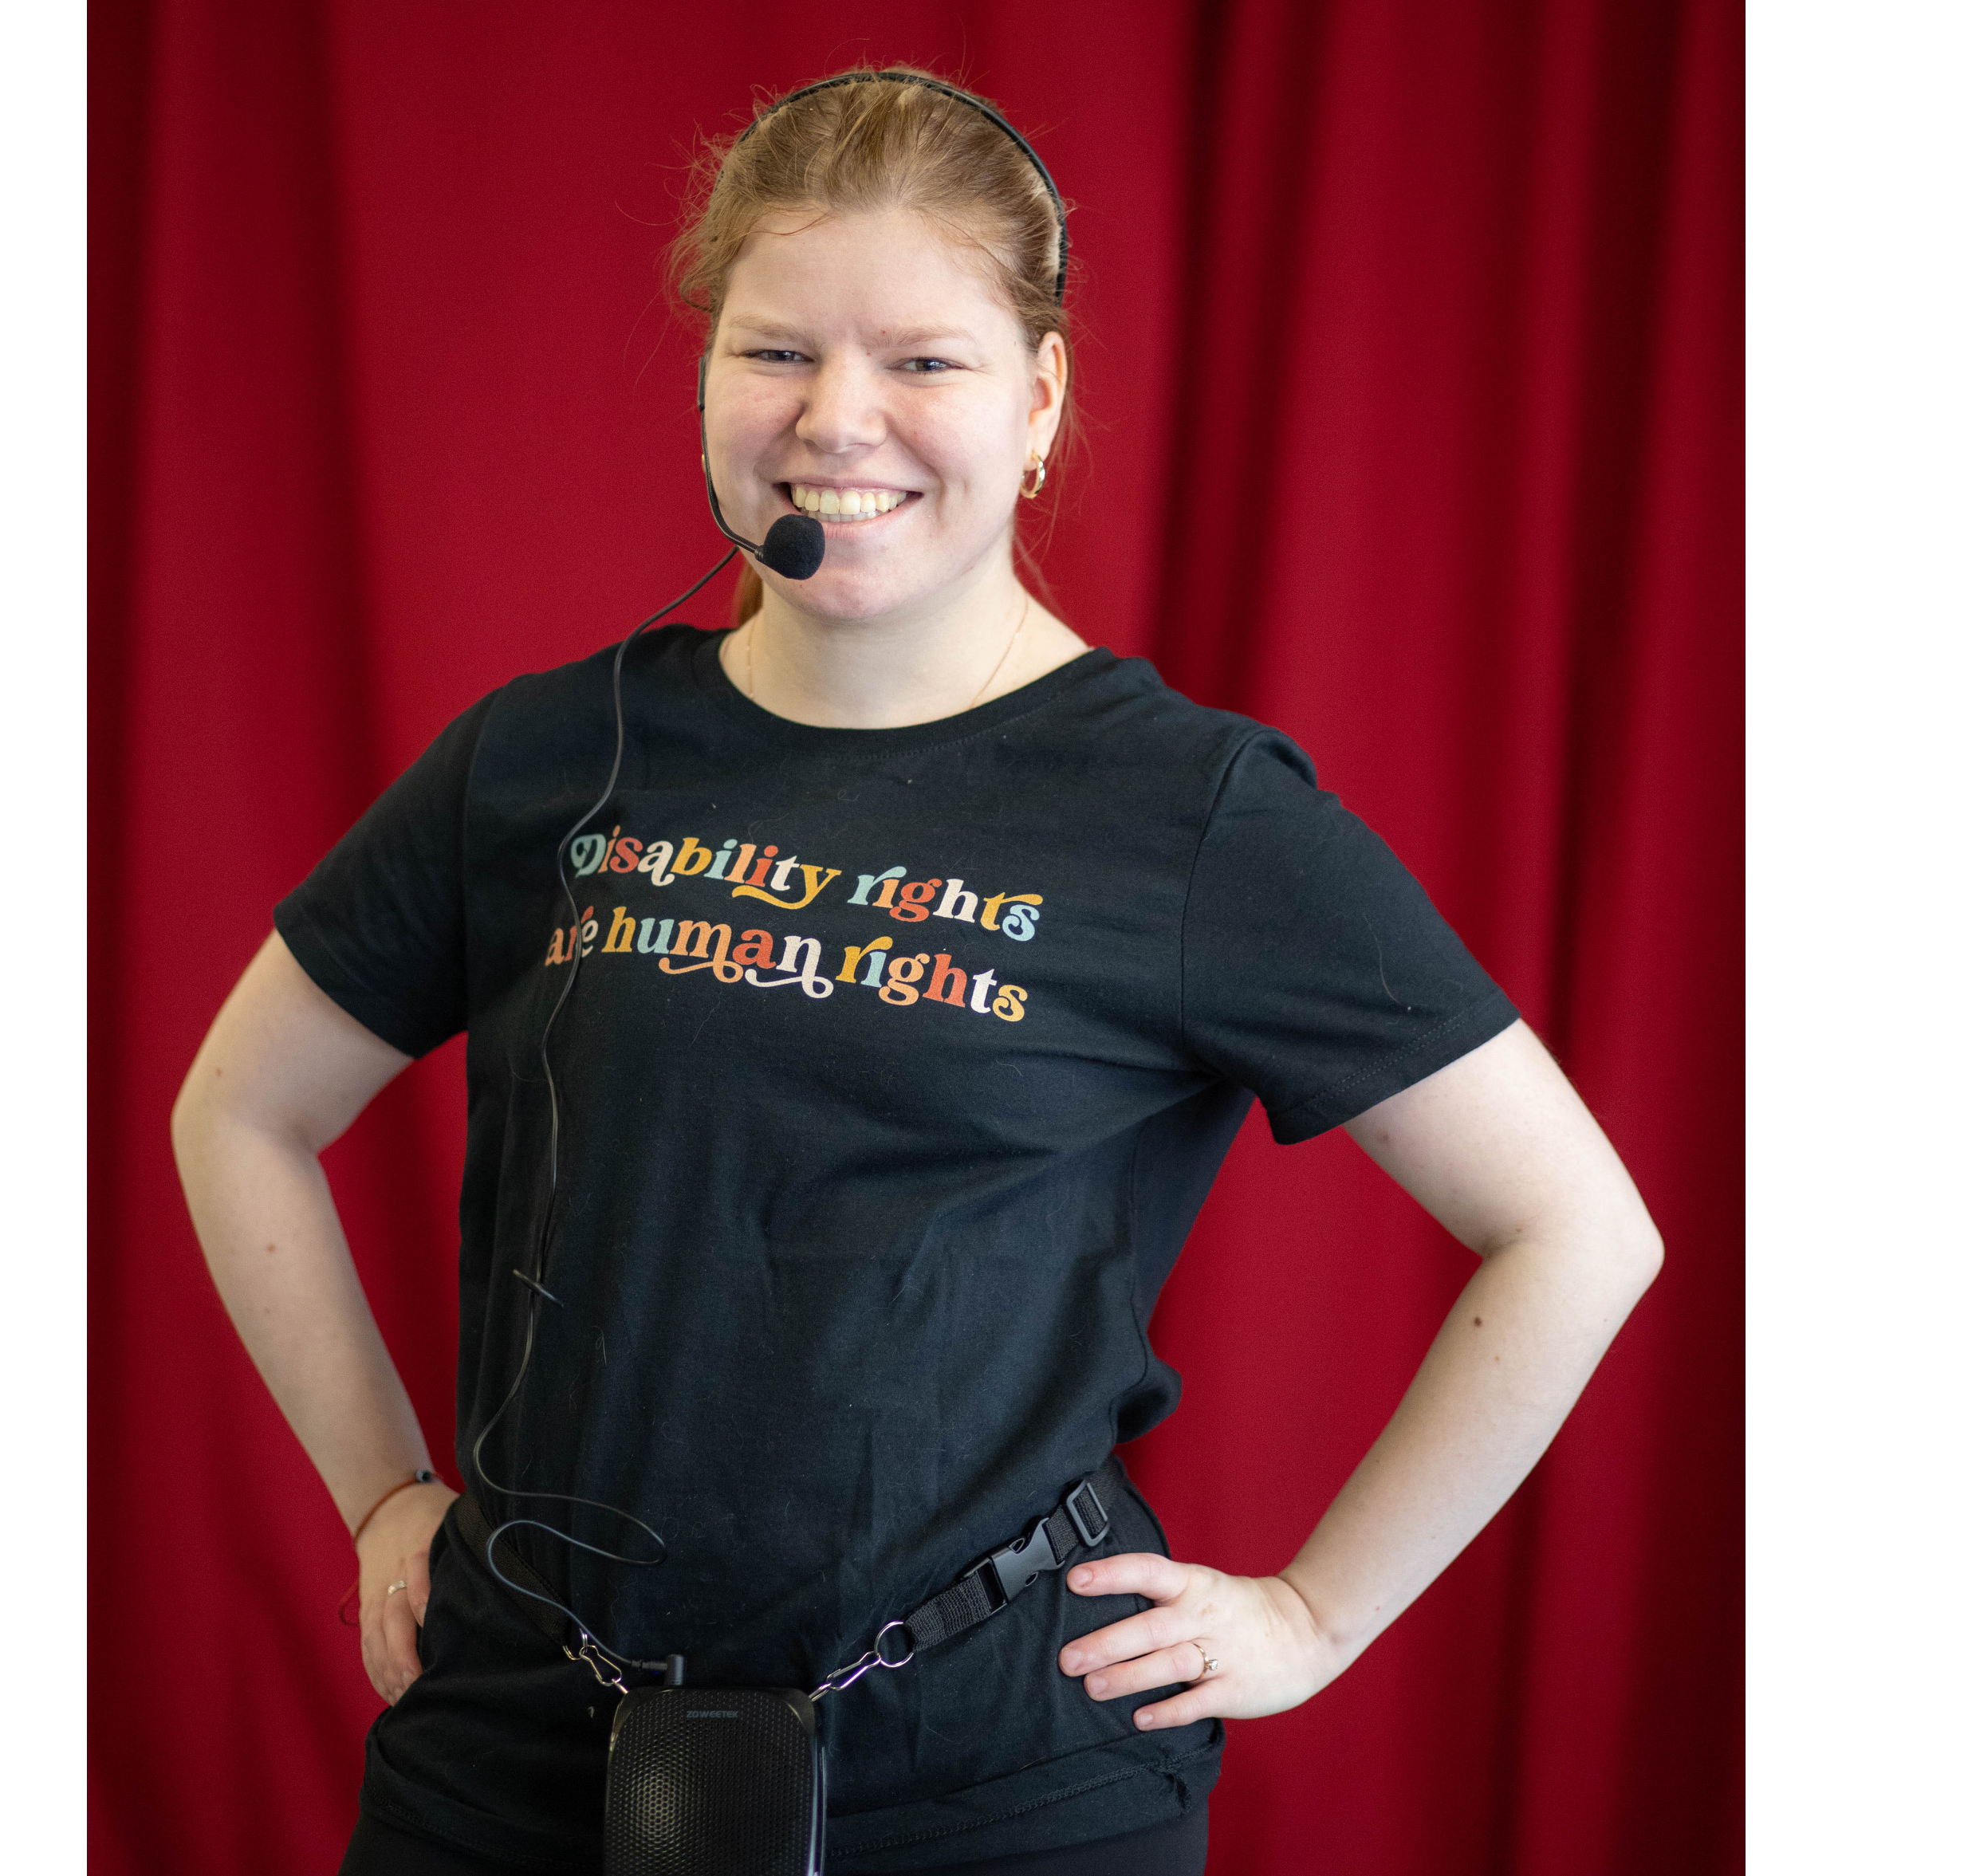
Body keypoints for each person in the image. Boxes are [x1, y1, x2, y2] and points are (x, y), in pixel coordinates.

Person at [170, 65, 1661, 1876]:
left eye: (925, 361)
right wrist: (381, 1489)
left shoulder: (1188, 812)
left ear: (1040, 400)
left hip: (997, 1778)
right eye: (775, 350)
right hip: (515, 1751)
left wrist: (1316, 1618)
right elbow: (242, 1106)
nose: (835, 420)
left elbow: (1581, 1226)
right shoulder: (544, 757)